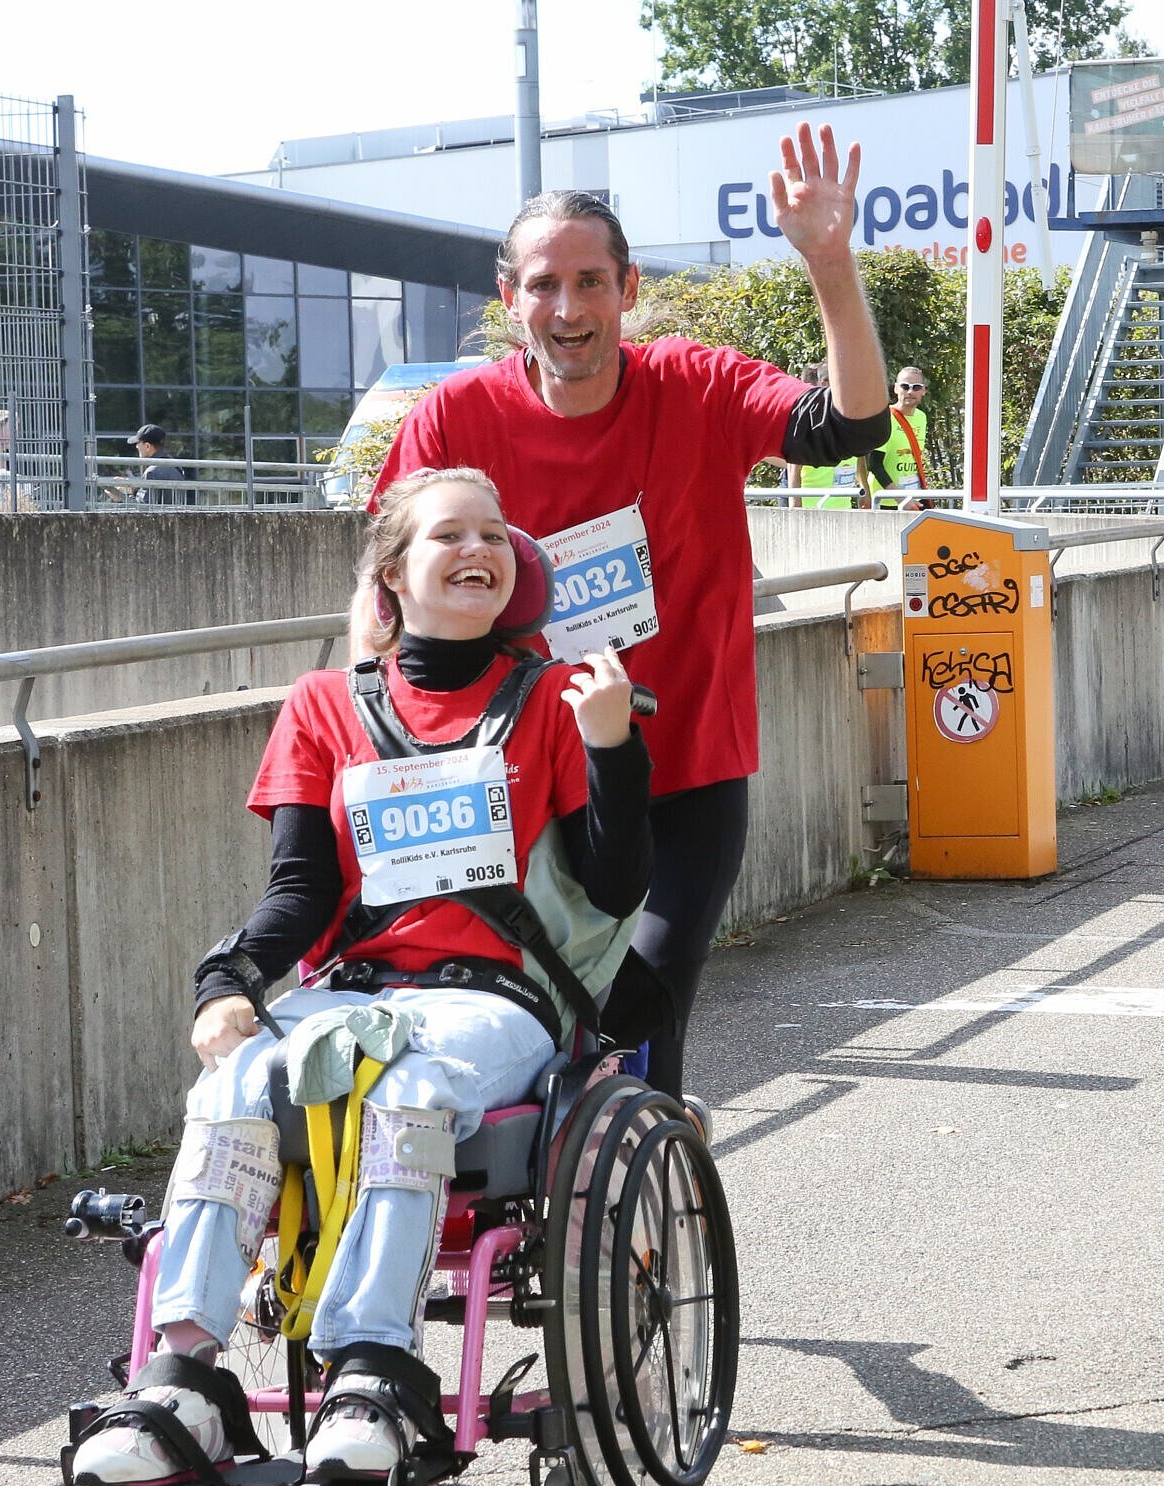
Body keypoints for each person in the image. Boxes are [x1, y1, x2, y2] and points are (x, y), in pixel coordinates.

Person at [71, 467, 651, 1486]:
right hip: (356, 988)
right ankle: (182, 1379)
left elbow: (613, 885)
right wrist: (229, 982)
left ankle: (373, 1368)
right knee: (239, 1080)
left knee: (408, 1086)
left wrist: (613, 748)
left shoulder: (551, 703)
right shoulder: (322, 706)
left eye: (493, 535)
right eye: (448, 535)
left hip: (493, 999)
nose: (478, 550)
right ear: (393, 571)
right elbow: (298, 891)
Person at [371, 124, 890, 1100]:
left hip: (684, 771)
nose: (567, 309)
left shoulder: (692, 386)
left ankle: (645, 1225)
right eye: (542, 284)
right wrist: (377, 737)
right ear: (508, 299)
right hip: (528, 781)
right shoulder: (456, 420)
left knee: (638, 1010)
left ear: (629, 290)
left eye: (590, 283)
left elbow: (846, 424)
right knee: (508, 1028)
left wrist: (827, 263)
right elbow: (386, 587)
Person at [788, 361, 866, 507]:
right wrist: (796, 509)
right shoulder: (807, 419)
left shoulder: (851, 417)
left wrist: (865, 491)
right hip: (813, 510)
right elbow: (793, 467)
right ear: (825, 383)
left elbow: (860, 458)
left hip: (844, 510)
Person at [869, 367, 930, 509]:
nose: (910, 392)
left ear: (923, 391)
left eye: (916, 387)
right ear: (896, 388)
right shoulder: (884, 418)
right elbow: (874, 465)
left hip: (913, 498)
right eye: (905, 386)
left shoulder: (921, 417)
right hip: (886, 501)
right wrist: (900, 498)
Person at [131, 424, 193, 506]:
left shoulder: (152, 472)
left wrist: (123, 496)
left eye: (138, 443)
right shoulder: (175, 466)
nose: (136, 446)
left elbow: (144, 508)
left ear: (147, 446)